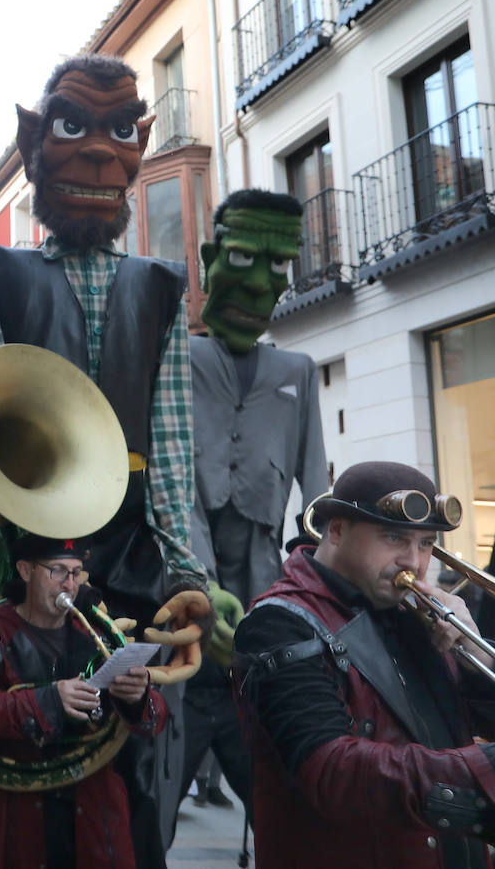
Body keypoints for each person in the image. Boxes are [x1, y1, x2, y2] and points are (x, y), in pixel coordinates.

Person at [0, 54, 212, 861]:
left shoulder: (164, 285)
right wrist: (3, 553)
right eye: (74, 127)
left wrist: (188, 573)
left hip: (131, 561)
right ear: (37, 142)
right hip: (33, 552)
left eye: (118, 130)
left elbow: (171, 447)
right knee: (28, 780)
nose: (100, 151)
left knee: (135, 784)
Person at [234, 461, 495, 869]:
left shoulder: (415, 610)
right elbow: (329, 771)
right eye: (394, 538)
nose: (413, 561)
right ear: (337, 530)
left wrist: (476, 653)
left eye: (426, 544)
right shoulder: (278, 623)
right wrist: (481, 768)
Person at [181, 187, 329, 818]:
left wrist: (320, 573)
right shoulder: (177, 358)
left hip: (263, 569)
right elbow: (164, 478)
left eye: (278, 267)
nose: (263, 282)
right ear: (212, 259)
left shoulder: (297, 370)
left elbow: (316, 482)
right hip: (186, 577)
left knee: (277, 791)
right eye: (241, 260)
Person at [0, 535, 164, 869]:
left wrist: (137, 697)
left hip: (94, 808)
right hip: (19, 806)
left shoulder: (96, 629)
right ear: (25, 570)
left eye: (77, 573)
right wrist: (48, 700)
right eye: (58, 571)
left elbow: (157, 716)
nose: (71, 584)